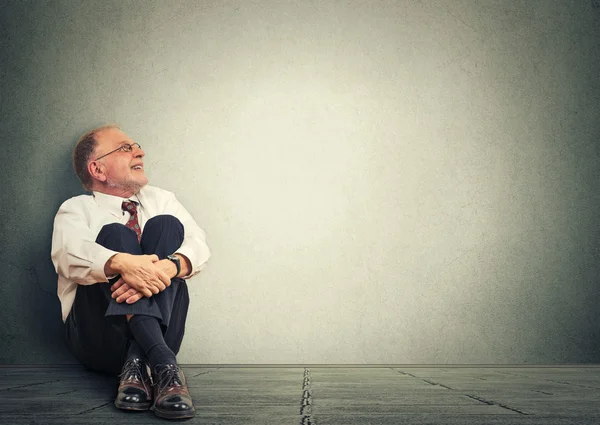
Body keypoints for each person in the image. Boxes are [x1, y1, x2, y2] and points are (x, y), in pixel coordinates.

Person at [51, 124, 211, 419]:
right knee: (115, 236)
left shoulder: (162, 199)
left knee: (167, 226)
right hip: (97, 339)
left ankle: (139, 364)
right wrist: (123, 264)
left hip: (163, 332)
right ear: (98, 169)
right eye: (125, 148)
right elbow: (66, 255)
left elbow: (198, 246)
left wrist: (167, 267)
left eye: (135, 145)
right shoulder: (76, 209)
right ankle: (165, 365)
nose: (140, 151)